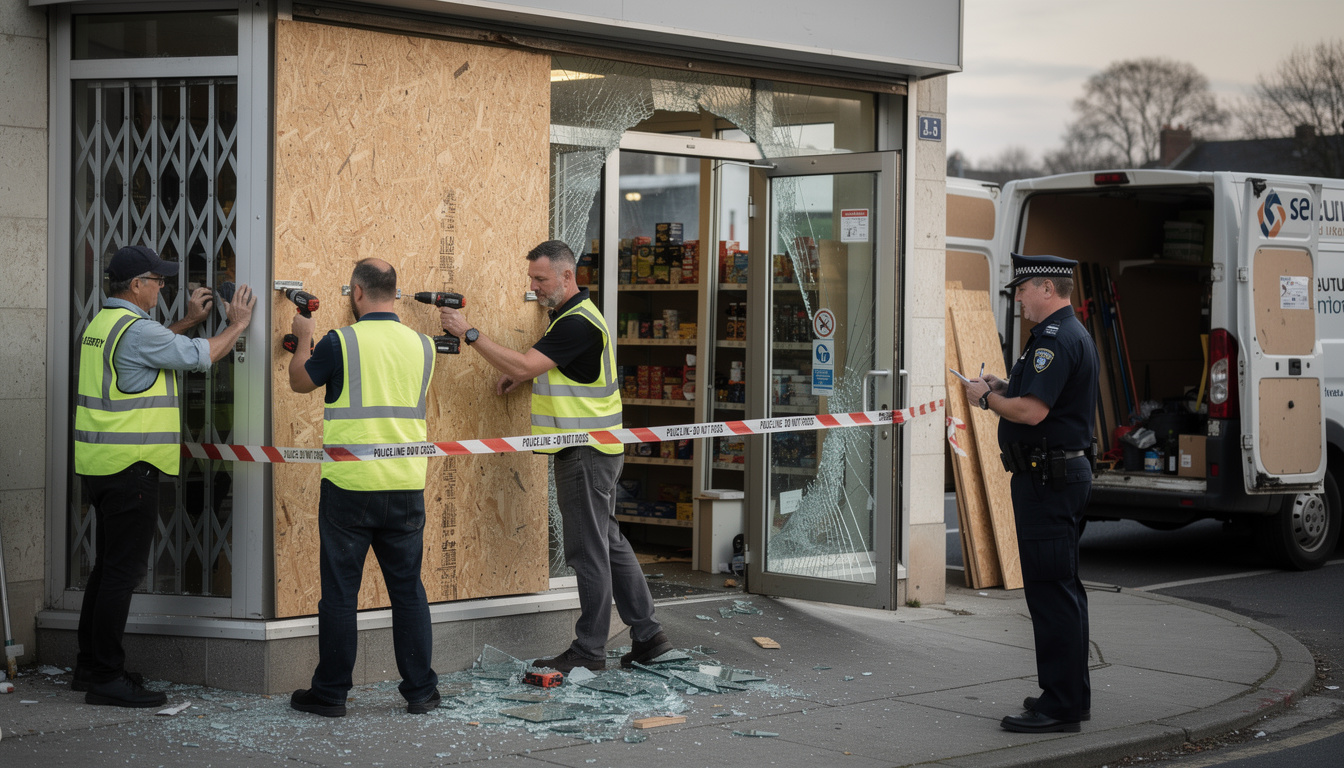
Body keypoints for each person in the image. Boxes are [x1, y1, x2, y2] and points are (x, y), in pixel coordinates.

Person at [439, 239, 672, 673]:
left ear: (568, 276)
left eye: (540, 278)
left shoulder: (576, 323)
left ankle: (589, 650)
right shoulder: (569, 315)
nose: (534, 285)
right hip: (596, 449)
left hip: (584, 451)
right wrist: (522, 378)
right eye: (531, 277)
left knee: (589, 552)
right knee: (610, 544)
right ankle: (648, 636)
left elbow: (528, 364)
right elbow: (547, 369)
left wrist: (468, 333)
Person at [74, 245, 255, 707]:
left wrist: (189, 322)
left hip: (100, 467)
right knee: (122, 574)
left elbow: (151, 355)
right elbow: (200, 357)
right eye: (158, 280)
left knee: (106, 569)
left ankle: (90, 666)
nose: (163, 287)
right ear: (136, 286)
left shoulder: (103, 324)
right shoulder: (136, 330)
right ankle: (107, 679)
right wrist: (236, 325)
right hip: (131, 468)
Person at [286, 258, 442, 717]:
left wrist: (303, 338)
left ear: (357, 292)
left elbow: (299, 382)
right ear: (393, 291)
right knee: (408, 590)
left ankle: (331, 693)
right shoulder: (423, 346)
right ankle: (421, 693)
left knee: (339, 593)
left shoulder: (340, 342)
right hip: (405, 485)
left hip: (350, 488)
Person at [959, 253, 1098, 734]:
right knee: (1062, 590)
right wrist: (1004, 384)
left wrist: (986, 398)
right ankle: (1066, 695)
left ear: (1046, 287)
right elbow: (1038, 395)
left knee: (1051, 593)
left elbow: (1033, 412)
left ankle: (1059, 706)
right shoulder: (1061, 336)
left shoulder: (1055, 341)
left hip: (1047, 480)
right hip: (1055, 478)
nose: (1017, 298)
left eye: (1022, 289)